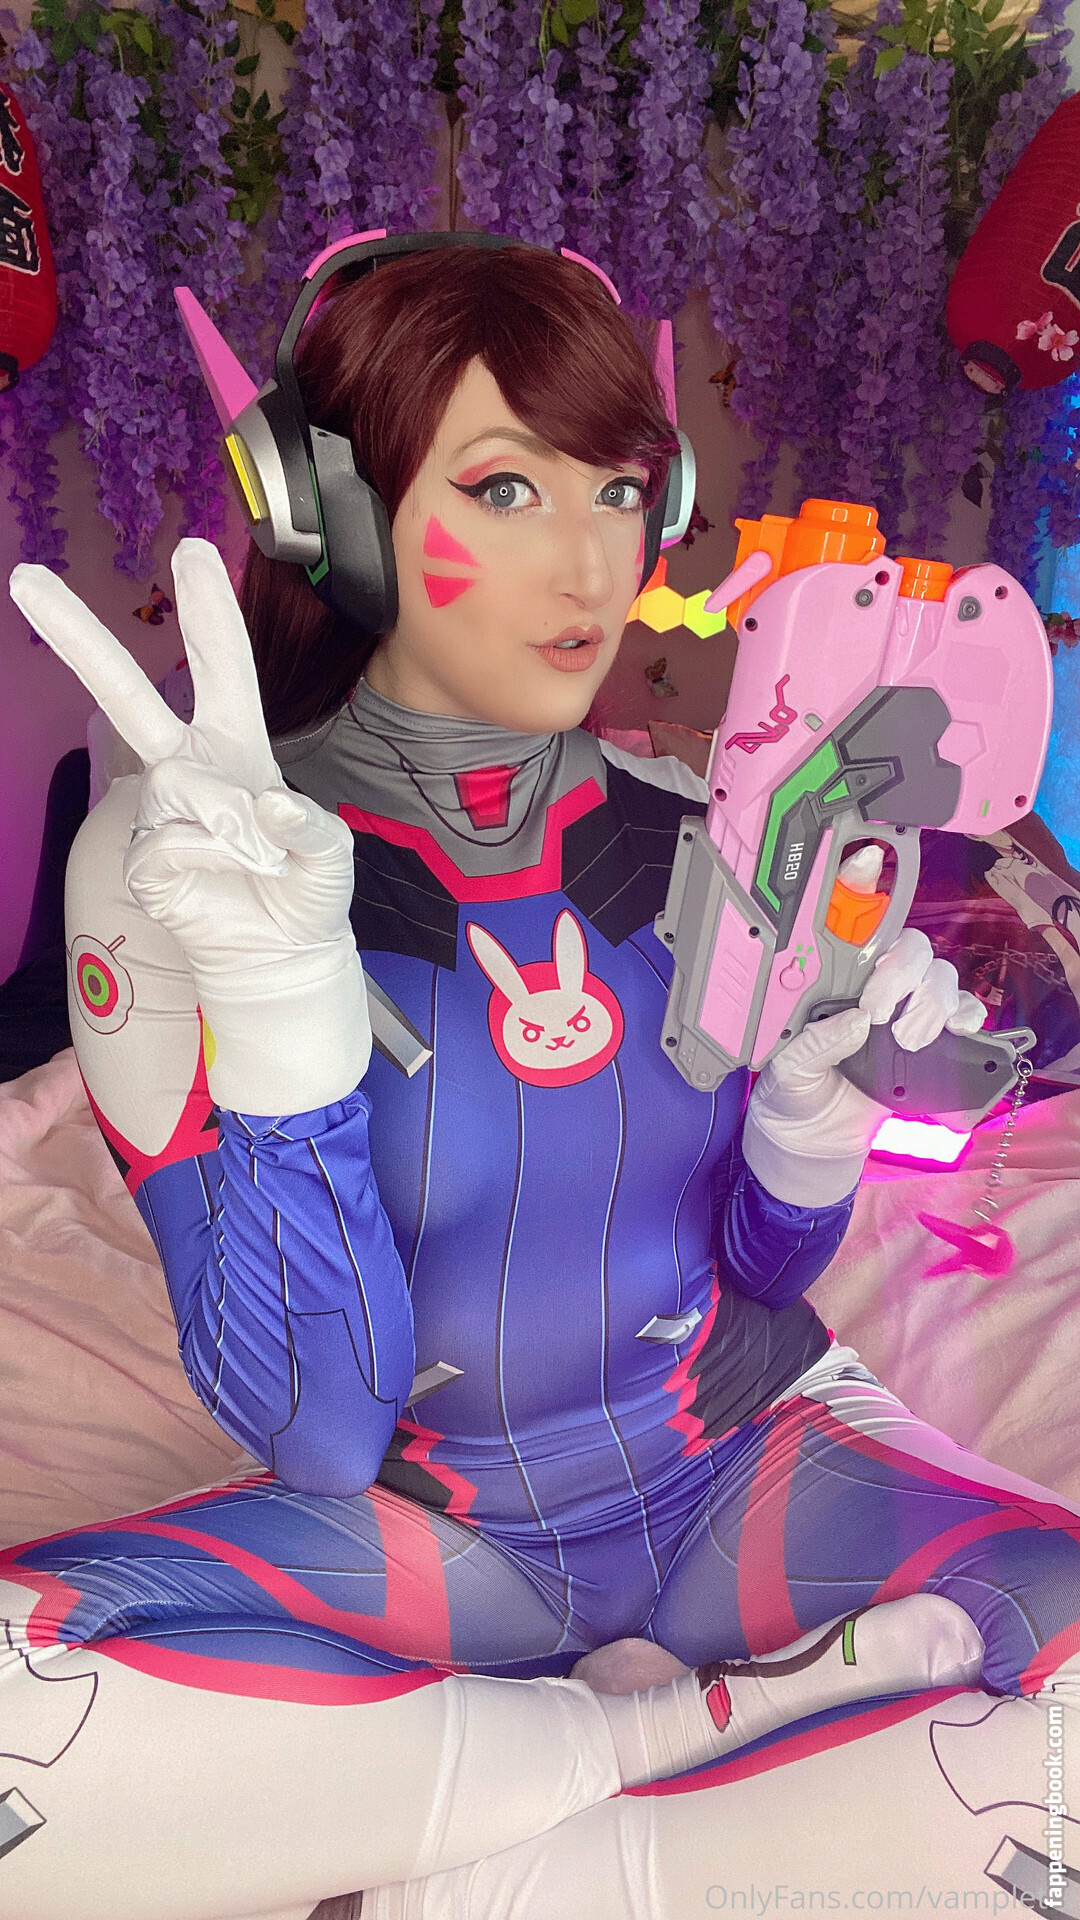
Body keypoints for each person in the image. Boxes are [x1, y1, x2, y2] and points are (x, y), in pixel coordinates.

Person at [1, 237, 1076, 1920]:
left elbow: (763, 1268)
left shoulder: (712, 825)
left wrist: (809, 1142)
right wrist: (280, 1020)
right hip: (433, 1533)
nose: (590, 563)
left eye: (621, 490)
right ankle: (670, 1749)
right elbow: (321, 1431)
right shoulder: (183, 867)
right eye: (505, 489)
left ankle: (478, 1845)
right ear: (332, 511)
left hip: (742, 1463)